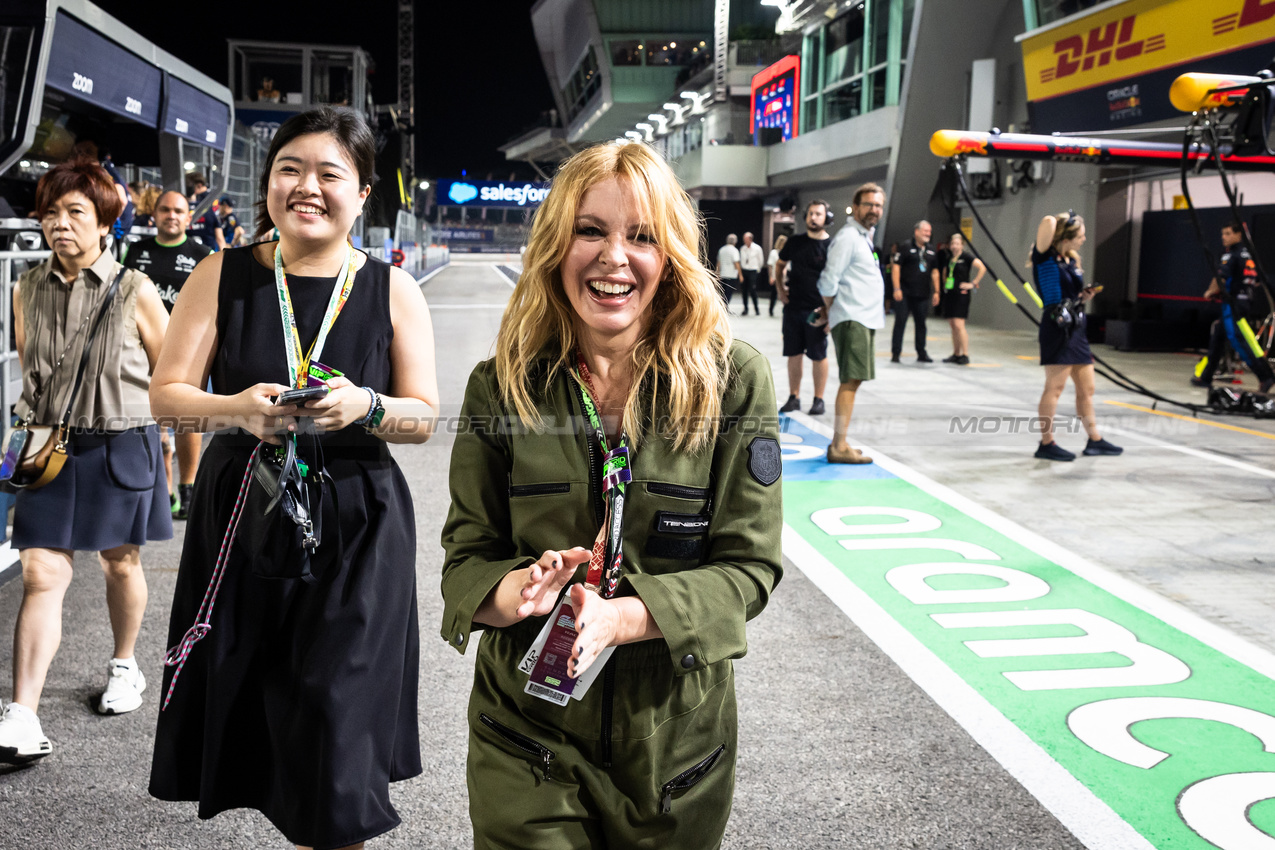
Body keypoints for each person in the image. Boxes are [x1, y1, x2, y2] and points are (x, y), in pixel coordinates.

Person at [441, 141, 782, 849]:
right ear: (555, 245)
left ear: (673, 255)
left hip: (674, 742)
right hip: (524, 730)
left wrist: (623, 619)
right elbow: (467, 558)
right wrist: (516, 594)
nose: (612, 257)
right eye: (590, 230)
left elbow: (748, 568)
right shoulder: (501, 385)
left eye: (642, 236)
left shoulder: (733, 380)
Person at [149, 107, 439, 850]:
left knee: (336, 719)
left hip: (357, 520)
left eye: (329, 174)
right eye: (290, 170)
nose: (306, 187)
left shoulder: (390, 289)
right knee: (262, 704)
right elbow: (166, 394)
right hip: (247, 511)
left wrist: (364, 405)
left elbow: (421, 417)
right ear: (270, 183)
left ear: (363, 190)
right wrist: (234, 409)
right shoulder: (224, 274)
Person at [0, 157, 172, 764]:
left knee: (120, 565)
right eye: (50, 212)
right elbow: (29, 364)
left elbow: (170, 371)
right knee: (43, 573)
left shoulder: (136, 290)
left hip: (122, 442)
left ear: (106, 224)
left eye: (75, 212)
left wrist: (185, 441)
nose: (59, 224)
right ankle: (22, 713)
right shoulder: (26, 288)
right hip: (50, 449)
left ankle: (126, 665)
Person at [123, 190, 212, 518]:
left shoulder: (203, 254)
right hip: (140, 351)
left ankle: (187, 488)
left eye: (178, 210)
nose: (171, 215)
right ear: (154, 214)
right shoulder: (136, 251)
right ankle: (152, 490)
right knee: (146, 422)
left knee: (187, 419)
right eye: (165, 210)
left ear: (188, 217)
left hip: (188, 352)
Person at [1030, 211, 1122, 461]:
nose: (1083, 240)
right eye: (1080, 235)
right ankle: (1046, 443)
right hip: (1056, 326)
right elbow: (1048, 221)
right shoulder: (1044, 257)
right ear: (1066, 237)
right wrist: (1068, 217)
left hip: (1077, 327)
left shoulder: (1071, 260)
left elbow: (1072, 294)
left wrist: (1084, 296)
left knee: (1087, 388)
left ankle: (1095, 440)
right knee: (1055, 387)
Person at [817, 183, 886, 464]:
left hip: (863, 317)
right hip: (852, 317)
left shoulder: (864, 237)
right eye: (868, 204)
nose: (874, 210)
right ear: (855, 207)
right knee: (850, 380)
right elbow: (829, 279)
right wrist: (833, 310)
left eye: (878, 205)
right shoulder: (848, 238)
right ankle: (839, 445)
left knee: (853, 381)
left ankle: (841, 442)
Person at [1192, 221, 1274, 393]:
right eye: (1223, 234)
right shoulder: (1249, 254)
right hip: (1245, 301)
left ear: (1238, 235)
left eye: (1228, 233)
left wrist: (1210, 291)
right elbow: (1258, 280)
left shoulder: (1231, 255)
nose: (1224, 237)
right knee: (1218, 338)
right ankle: (1206, 377)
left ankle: (1265, 376)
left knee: (1237, 340)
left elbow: (1221, 277)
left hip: (1233, 304)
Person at [776, 200, 833, 415]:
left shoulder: (831, 246)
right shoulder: (795, 242)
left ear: (827, 218)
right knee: (794, 352)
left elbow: (838, 280)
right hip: (793, 307)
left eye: (818, 214)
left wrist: (831, 312)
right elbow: (780, 264)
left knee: (818, 354)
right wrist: (781, 289)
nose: (813, 217)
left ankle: (819, 399)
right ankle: (794, 396)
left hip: (818, 311)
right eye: (810, 213)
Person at [890, 220, 939, 363]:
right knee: (900, 322)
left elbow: (935, 272)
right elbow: (896, 268)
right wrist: (897, 288)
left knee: (921, 324)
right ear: (917, 231)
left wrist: (937, 292)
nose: (928, 234)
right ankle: (896, 353)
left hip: (922, 294)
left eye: (929, 232)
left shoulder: (930, 250)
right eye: (925, 231)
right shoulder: (905, 247)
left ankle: (921, 352)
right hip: (905, 293)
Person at [939, 232, 985, 365]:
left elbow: (982, 267)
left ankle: (965, 354)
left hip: (962, 294)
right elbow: (945, 272)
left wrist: (973, 283)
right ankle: (956, 353)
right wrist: (944, 285)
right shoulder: (949, 258)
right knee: (953, 325)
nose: (954, 246)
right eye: (953, 244)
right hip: (950, 294)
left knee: (959, 324)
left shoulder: (966, 257)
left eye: (957, 244)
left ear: (962, 245)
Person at [738, 231, 765, 316]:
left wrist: (758, 269)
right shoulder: (742, 248)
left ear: (750, 239)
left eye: (745, 239)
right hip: (744, 270)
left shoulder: (757, 248)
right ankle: (745, 309)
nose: (744, 240)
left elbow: (761, 260)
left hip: (753, 270)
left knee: (752, 290)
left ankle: (756, 309)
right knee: (744, 291)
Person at [716, 233, 741, 310]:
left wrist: (717, 272)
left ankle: (723, 306)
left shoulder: (722, 249)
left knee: (723, 292)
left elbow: (718, 262)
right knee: (729, 292)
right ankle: (725, 307)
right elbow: (736, 263)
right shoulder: (735, 250)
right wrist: (740, 274)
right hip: (731, 274)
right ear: (735, 242)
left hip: (723, 273)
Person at [766, 233, 787, 317]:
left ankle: (784, 310)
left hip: (785, 277)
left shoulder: (786, 252)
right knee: (774, 294)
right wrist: (771, 277)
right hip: (776, 276)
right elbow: (770, 265)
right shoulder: (774, 253)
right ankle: (771, 310)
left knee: (785, 293)